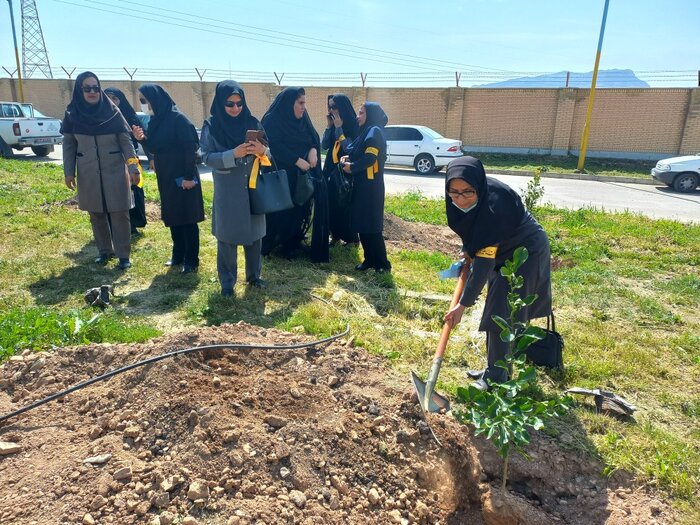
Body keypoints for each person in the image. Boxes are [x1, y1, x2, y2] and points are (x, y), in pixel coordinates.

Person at [442, 156, 552, 391]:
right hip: (502, 249)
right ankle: (494, 368)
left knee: (502, 313)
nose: (460, 199)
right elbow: (472, 230)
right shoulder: (463, 201)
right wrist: (468, 250)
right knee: (497, 312)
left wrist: (462, 305)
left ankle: (497, 377)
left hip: (525, 252)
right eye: (454, 192)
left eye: (468, 192)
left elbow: (483, 265)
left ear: (479, 187)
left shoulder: (495, 206)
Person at [61, 71, 141, 270]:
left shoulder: (113, 112)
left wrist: (133, 167)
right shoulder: (72, 114)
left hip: (115, 171)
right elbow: (69, 145)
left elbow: (126, 142)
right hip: (88, 172)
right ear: (80, 90)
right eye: (87, 88)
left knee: (119, 213)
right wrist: (69, 172)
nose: (92, 91)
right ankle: (105, 251)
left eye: (96, 88)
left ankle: (123, 256)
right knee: (96, 213)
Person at [200, 80, 269, 296]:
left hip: (252, 187)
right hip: (228, 190)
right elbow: (206, 157)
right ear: (220, 103)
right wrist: (233, 154)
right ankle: (227, 284)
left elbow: (271, 153)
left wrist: (262, 150)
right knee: (227, 238)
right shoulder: (211, 126)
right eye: (230, 104)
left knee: (255, 235)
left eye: (239, 103)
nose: (235, 108)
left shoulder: (253, 123)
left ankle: (254, 276)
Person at [132, 84, 204, 273]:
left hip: (183, 175)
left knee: (187, 217)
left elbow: (190, 149)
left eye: (144, 101)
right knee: (173, 215)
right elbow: (156, 148)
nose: (143, 105)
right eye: (141, 101)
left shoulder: (178, 119)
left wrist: (189, 177)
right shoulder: (156, 121)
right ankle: (178, 255)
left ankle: (191, 260)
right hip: (166, 175)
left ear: (155, 99)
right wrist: (142, 140)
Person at [260, 87, 327, 261]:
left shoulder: (303, 118)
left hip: (300, 176)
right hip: (279, 175)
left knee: (298, 209)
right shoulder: (272, 120)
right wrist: (295, 160)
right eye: (300, 103)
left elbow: (313, 136)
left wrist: (313, 149)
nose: (304, 107)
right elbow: (272, 146)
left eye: (305, 102)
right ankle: (275, 243)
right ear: (289, 103)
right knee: (280, 212)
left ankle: (292, 244)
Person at [338, 102, 391, 273]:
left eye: (361, 113)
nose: (357, 116)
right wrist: (348, 157)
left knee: (372, 226)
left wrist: (351, 167)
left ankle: (382, 264)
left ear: (371, 115)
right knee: (363, 224)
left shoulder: (374, 131)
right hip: (362, 186)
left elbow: (370, 158)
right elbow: (357, 151)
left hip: (371, 188)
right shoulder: (367, 131)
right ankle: (369, 260)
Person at [104, 87, 147, 236]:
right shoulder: (100, 117)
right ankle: (114, 226)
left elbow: (143, 139)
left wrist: (152, 158)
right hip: (110, 163)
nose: (111, 101)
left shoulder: (130, 117)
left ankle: (133, 225)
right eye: (107, 97)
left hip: (131, 161)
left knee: (134, 192)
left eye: (114, 98)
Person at [322, 93, 359, 245]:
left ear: (342, 108)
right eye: (330, 106)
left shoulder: (353, 125)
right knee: (330, 202)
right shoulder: (333, 124)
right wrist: (329, 127)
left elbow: (348, 148)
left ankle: (351, 238)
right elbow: (324, 146)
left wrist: (339, 129)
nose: (331, 110)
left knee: (343, 204)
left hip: (345, 171)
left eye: (334, 106)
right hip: (331, 168)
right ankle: (335, 234)